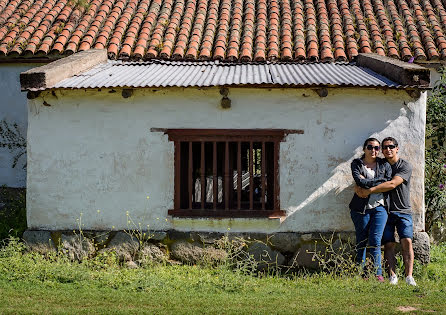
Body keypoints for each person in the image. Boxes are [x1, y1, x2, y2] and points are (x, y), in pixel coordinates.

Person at [355, 137, 417, 286]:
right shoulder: (381, 165)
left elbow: (392, 184)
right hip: (386, 211)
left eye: (391, 146)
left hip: (403, 210)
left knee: (407, 241)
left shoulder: (405, 166)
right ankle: (392, 276)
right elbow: (363, 178)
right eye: (385, 147)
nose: (388, 149)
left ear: (397, 148)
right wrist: (357, 187)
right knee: (388, 244)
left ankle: (409, 277)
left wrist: (369, 190)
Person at [349, 138, 392, 281]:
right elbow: (359, 181)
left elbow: (387, 181)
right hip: (360, 208)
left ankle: (377, 273)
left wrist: (368, 183)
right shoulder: (357, 164)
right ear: (364, 149)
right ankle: (360, 272)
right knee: (361, 240)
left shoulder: (384, 164)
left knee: (375, 239)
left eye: (376, 148)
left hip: (380, 207)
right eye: (370, 147)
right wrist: (379, 181)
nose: (373, 150)